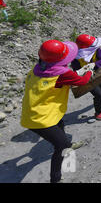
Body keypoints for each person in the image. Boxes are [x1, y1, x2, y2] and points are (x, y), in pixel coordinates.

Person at [21, 40, 92, 183]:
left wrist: (76, 73)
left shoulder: (37, 68)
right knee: (61, 146)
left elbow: (60, 79)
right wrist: (89, 71)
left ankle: (67, 143)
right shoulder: (63, 74)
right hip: (41, 119)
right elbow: (82, 81)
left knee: (60, 123)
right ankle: (56, 178)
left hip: (34, 112)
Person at [71, 34, 101, 120]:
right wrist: (85, 70)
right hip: (86, 77)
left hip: (98, 72)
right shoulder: (75, 57)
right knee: (97, 94)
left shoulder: (96, 49)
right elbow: (76, 70)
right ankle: (98, 112)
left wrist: (94, 64)